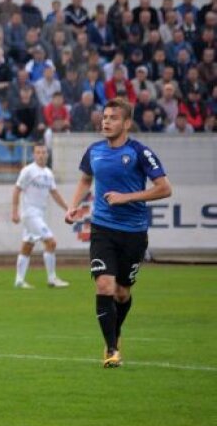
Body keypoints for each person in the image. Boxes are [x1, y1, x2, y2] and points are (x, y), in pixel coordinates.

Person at [65, 98, 172, 368]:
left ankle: (115, 332)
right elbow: (85, 180)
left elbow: (164, 188)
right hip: (102, 229)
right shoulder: (94, 151)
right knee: (104, 285)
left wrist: (127, 197)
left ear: (126, 123)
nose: (106, 121)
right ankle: (112, 349)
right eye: (105, 117)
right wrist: (73, 206)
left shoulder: (140, 152)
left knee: (122, 293)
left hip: (134, 232)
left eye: (113, 117)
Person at [11, 143, 70, 290]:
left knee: (28, 246)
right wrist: (14, 211)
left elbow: (54, 193)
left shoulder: (49, 173)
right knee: (51, 243)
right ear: (34, 154)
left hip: (39, 214)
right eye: (38, 152)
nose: (41, 155)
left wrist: (68, 208)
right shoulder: (28, 171)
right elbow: (17, 190)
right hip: (30, 214)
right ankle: (52, 279)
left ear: (47, 155)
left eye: (44, 152)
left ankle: (19, 280)